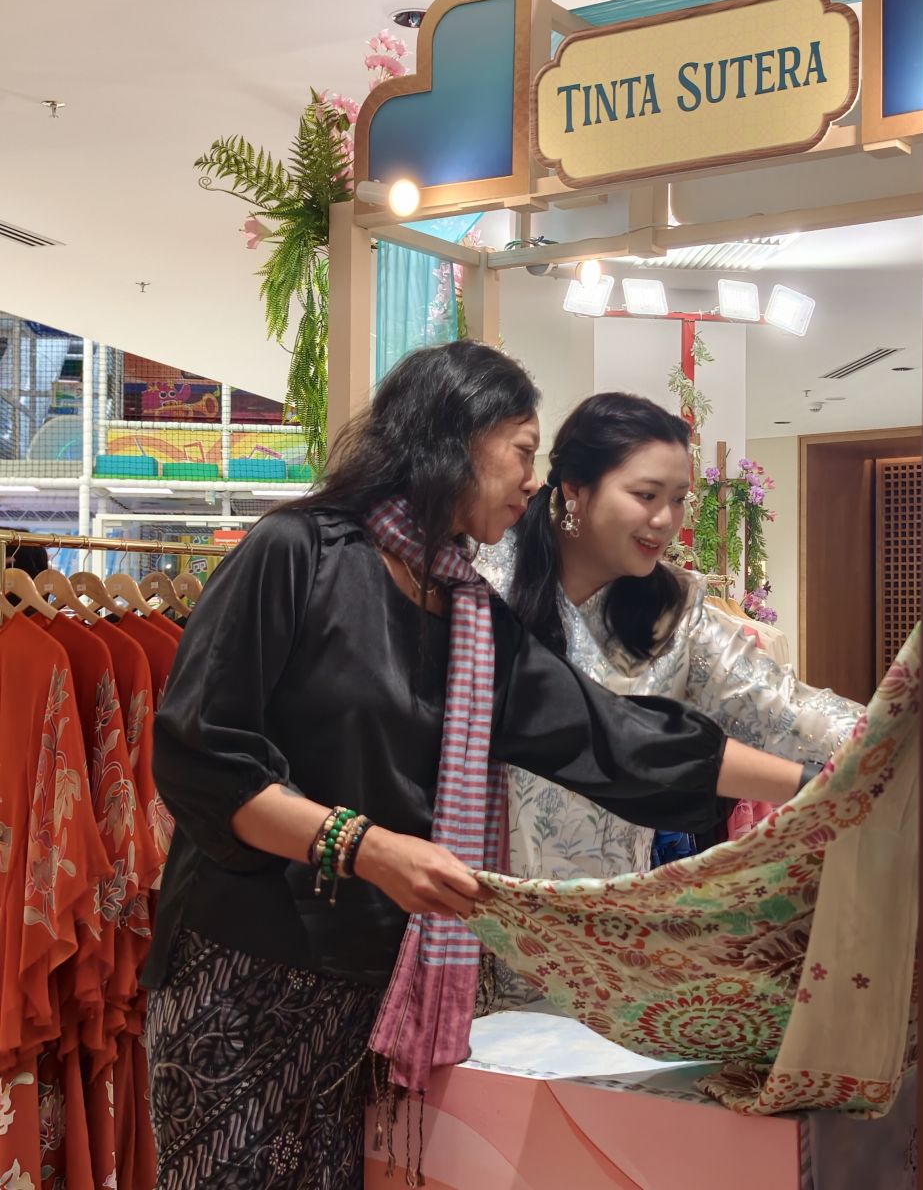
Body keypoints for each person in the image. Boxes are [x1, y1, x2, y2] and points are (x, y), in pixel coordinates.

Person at [143, 342, 815, 1189]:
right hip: (245, 968)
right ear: (456, 437)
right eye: (524, 451)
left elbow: (608, 736)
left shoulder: (466, 613)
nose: (533, 480)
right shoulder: (298, 552)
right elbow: (204, 756)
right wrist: (367, 847)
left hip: (377, 989)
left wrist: (813, 787)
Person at [480, 391, 862, 887]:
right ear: (575, 488)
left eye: (679, 499)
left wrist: (901, 734)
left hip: (599, 918)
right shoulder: (483, 579)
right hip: (467, 905)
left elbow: (785, 710)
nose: (665, 520)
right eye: (646, 495)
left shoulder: (676, 614)